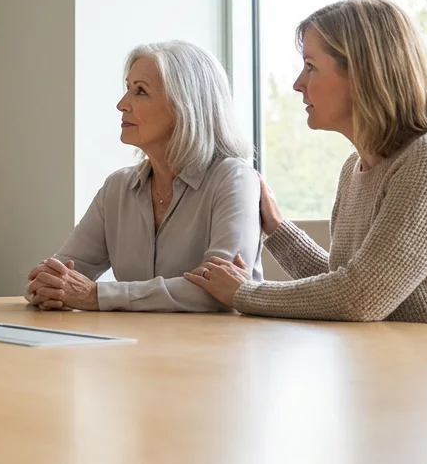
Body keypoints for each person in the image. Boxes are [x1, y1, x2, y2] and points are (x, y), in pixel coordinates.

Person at [184, 0, 427, 329]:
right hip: (401, 367)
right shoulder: (354, 168)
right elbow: (342, 283)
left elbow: (360, 297)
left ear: (362, 73)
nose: (298, 84)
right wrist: (278, 230)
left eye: (311, 66)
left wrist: (245, 293)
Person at [25, 41, 261, 312]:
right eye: (127, 89)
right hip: (133, 348)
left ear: (184, 106)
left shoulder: (233, 179)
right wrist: (43, 286)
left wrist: (96, 295)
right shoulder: (118, 188)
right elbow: (61, 275)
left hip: (216, 350)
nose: (122, 104)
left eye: (140, 92)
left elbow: (221, 289)